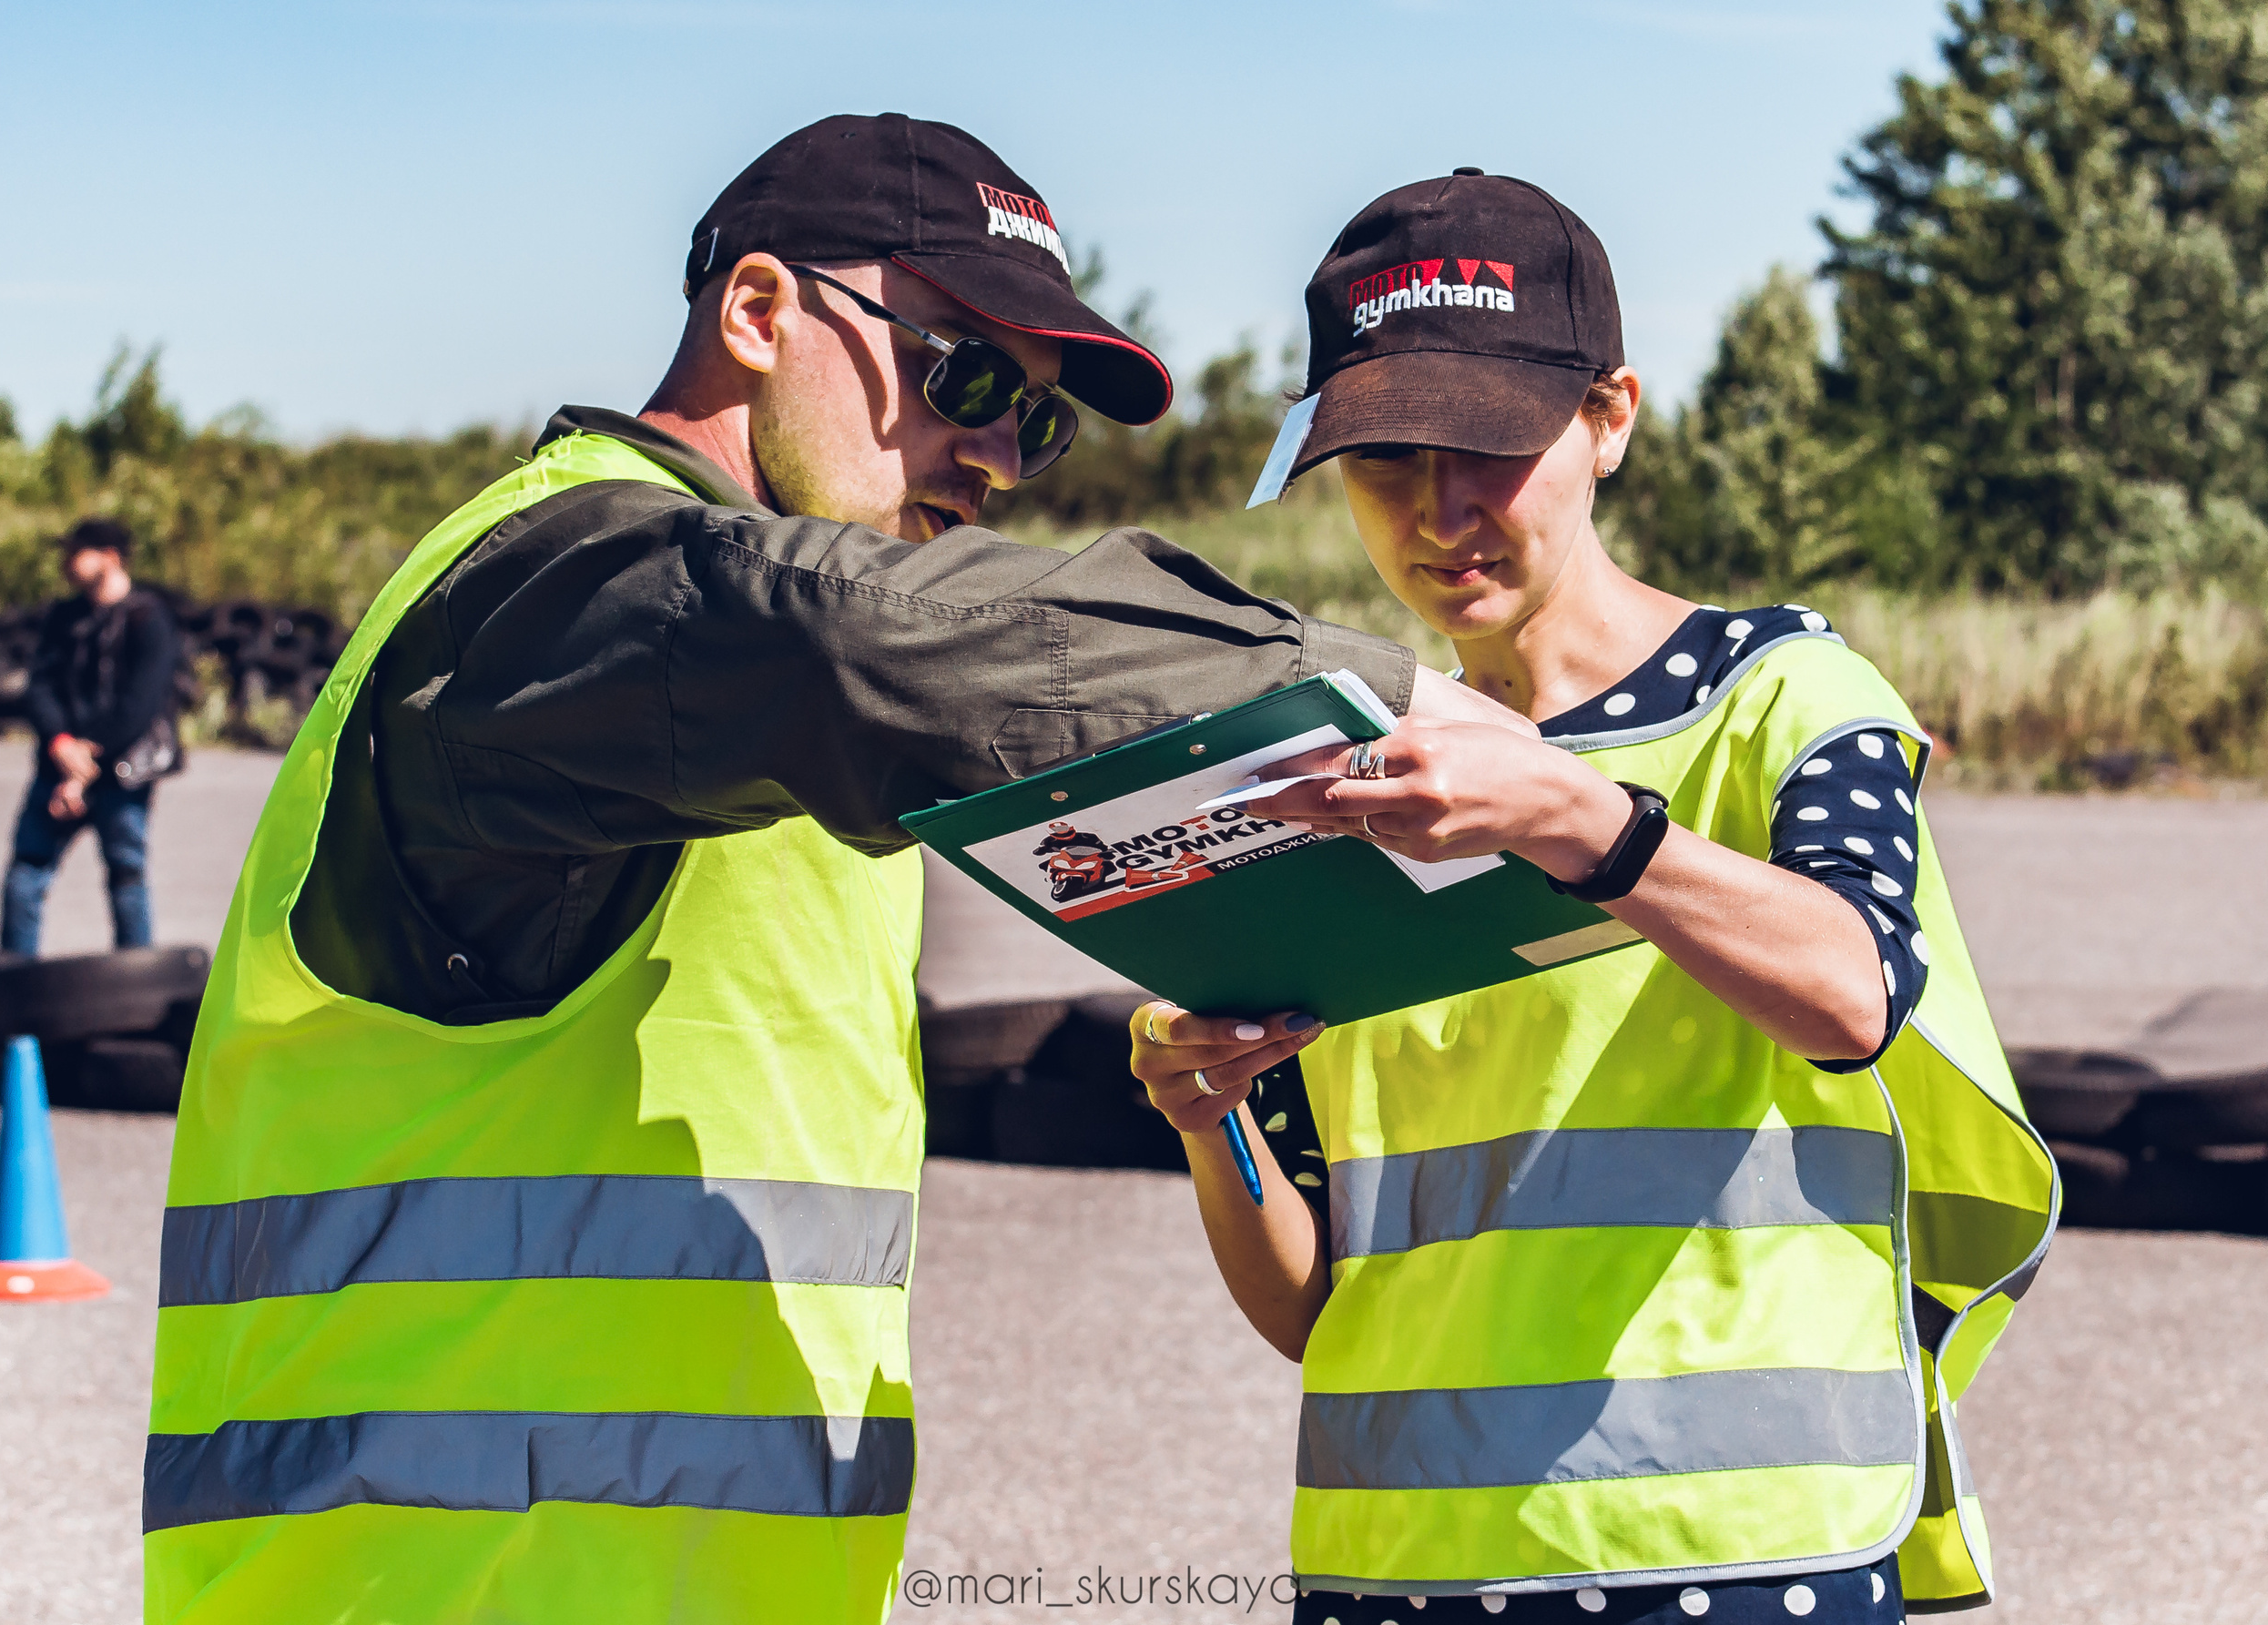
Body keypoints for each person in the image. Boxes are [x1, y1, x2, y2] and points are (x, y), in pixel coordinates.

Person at [142, 117, 1509, 1625]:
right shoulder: (548, 602)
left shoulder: (759, 707)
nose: (993, 454)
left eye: (1035, 425)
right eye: (965, 376)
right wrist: (1378, 702)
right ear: (759, 312)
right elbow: (833, 637)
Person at [1129, 172, 2056, 1622]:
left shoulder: (1783, 700)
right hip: (1404, 1557)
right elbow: (1310, 1301)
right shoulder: (1334, 765)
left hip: (1743, 1549)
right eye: (1386, 461)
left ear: (1610, 416)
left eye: (1489, 449)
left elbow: (1853, 991)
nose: (1442, 513)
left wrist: (1576, 814)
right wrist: (1214, 1125)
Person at [2, 516, 182, 954]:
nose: (66, 563)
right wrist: (61, 744)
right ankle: (15, 1002)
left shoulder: (149, 619)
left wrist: (83, 769)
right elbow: (39, 688)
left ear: (110, 557)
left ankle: (137, 1002)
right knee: (25, 877)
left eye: (75, 553)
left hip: (122, 775)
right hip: (59, 767)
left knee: (127, 878)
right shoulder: (63, 617)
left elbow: (138, 706)